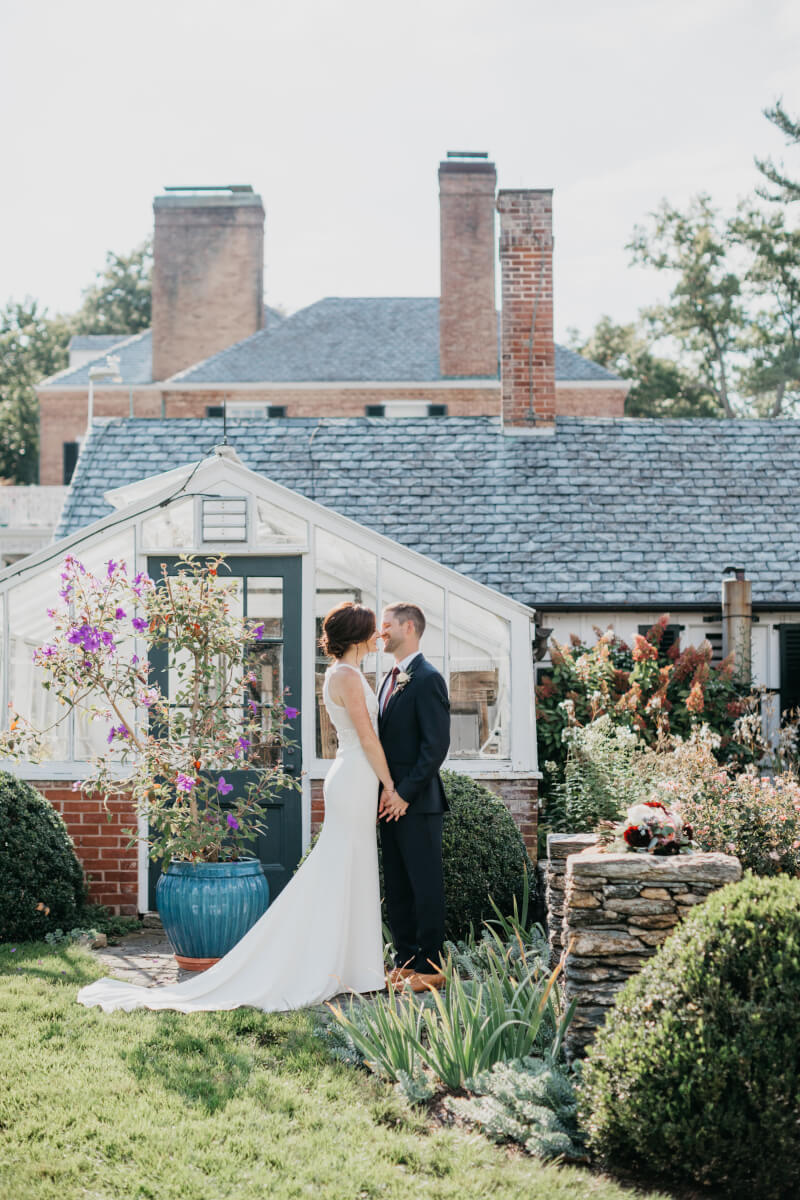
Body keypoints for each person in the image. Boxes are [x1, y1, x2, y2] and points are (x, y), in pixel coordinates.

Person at [76, 602, 394, 1013]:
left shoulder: (344, 672)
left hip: (354, 775)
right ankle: (342, 966)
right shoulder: (347, 676)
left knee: (352, 866)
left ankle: (353, 966)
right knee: (342, 866)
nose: (379, 635)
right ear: (358, 635)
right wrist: (391, 784)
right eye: (373, 629)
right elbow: (368, 738)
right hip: (356, 775)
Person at [377, 602, 450, 994]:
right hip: (387, 805)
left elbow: (435, 747)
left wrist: (404, 794)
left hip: (418, 803)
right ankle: (404, 961)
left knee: (424, 885)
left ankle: (432, 965)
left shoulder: (427, 678)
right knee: (398, 886)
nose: (381, 632)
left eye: (386, 625)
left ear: (409, 627)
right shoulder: (388, 679)